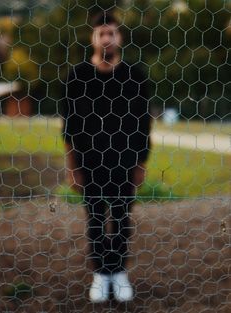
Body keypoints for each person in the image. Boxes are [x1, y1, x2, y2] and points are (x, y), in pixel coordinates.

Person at [62, 11, 152, 303]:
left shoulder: (134, 76)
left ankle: (119, 271)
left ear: (119, 37)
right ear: (93, 38)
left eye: (111, 32)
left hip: (124, 163)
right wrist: (72, 167)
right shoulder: (77, 77)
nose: (106, 38)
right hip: (89, 163)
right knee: (96, 219)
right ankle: (100, 273)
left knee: (122, 218)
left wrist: (141, 163)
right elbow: (69, 126)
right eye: (101, 33)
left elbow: (143, 124)